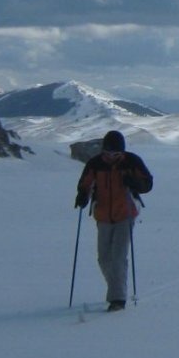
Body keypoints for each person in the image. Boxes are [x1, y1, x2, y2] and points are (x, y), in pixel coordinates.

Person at [74, 130, 153, 311]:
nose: (110, 157)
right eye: (107, 153)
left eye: (115, 154)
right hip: (102, 215)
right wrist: (82, 196)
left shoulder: (131, 161)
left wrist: (133, 182)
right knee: (103, 258)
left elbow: (147, 184)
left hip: (126, 213)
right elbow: (84, 183)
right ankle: (116, 288)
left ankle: (117, 299)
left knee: (118, 257)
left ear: (122, 152)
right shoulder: (95, 164)